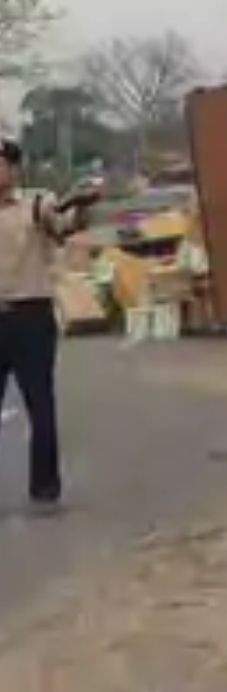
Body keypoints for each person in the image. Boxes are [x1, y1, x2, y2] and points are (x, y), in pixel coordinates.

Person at [0, 138, 98, 509]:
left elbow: (65, 226)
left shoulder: (35, 206)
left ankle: (44, 488)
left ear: (13, 169)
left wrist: (83, 207)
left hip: (31, 316)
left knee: (39, 405)